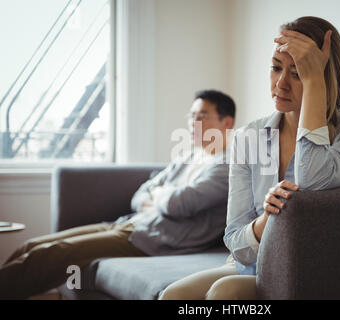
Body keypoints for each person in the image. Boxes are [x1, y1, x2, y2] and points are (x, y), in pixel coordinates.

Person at [160, 16, 340, 300]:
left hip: (319, 268)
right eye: (276, 68)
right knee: (173, 296)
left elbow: (312, 178)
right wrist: (265, 221)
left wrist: (315, 83)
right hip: (255, 263)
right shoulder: (247, 136)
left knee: (225, 294)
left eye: (298, 73)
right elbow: (235, 241)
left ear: (323, 78)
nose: (281, 84)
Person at [0, 89, 236, 299]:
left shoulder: (227, 167)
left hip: (156, 240)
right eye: (191, 116)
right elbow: (140, 196)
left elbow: (179, 204)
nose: (193, 123)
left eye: (202, 116)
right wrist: (161, 195)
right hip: (131, 225)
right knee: (31, 245)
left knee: (50, 254)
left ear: (227, 123)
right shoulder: (189, 156)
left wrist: (160, 195)